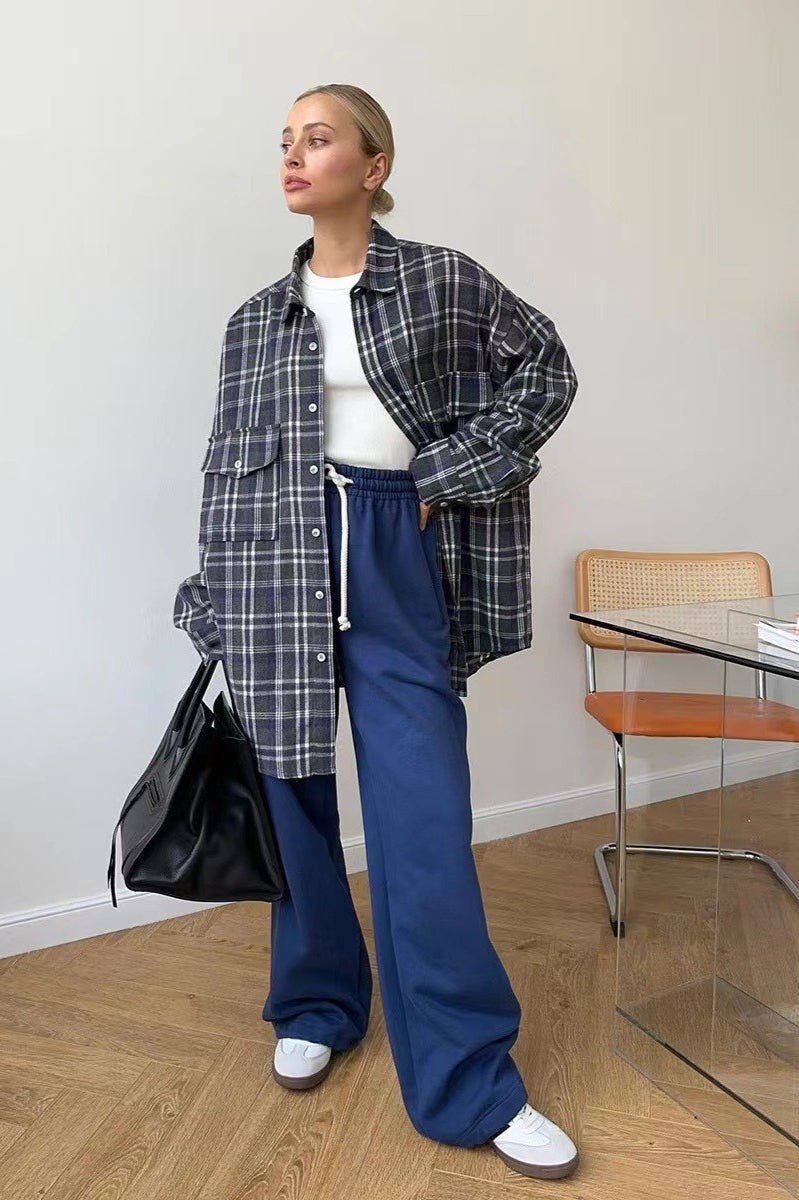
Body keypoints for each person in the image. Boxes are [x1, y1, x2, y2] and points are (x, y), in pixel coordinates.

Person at [174, 83, 579, 1181]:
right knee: (294, 807)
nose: (294, 156)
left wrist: (448, 470)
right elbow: (224, 467)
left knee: (424, 825)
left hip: (395, 548)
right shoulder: (254, 319)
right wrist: (210, 596)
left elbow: (545, 368)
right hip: (273, 564)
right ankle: (317, 1003)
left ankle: (470, 1080)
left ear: (374, 162)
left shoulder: (442, 279)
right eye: (285, 142)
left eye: (317, 139)